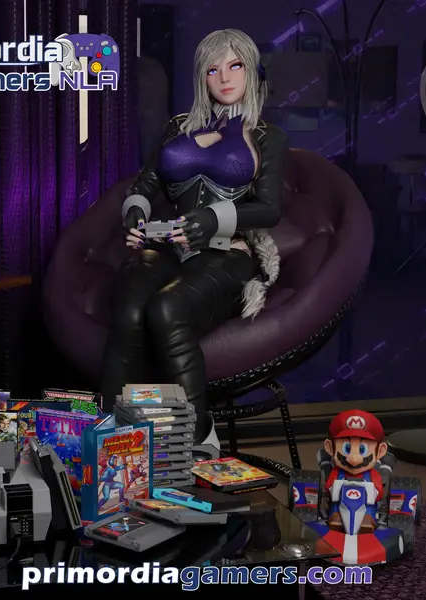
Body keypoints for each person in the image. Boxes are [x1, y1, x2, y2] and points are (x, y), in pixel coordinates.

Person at [100, 29, 288, 449]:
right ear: (201, 76)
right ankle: (111, 437)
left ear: (251, 70)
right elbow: (144, 185)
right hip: (168, 244)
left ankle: (199, 436)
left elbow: (269, 209)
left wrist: (214, 217)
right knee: (130, 308)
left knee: (167, 308)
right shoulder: (177, 128)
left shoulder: (266, 136)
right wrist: (135, 213)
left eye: (235, 65)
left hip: (227, 252)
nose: (225, 77)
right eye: (212, 69)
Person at [323, 410, 387, 533]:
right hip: (340, 504)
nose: (353, 459)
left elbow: (379, 492)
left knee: (370, 509)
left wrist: (370, 491)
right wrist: (335, 489)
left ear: (380, 451)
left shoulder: (371, 475)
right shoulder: (337, 473)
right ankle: (336, 518)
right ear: (330, 448)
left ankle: (368, 519)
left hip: (366, 506)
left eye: (362, 449)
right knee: (335, 506)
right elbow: (329, 487)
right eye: (347, 448)